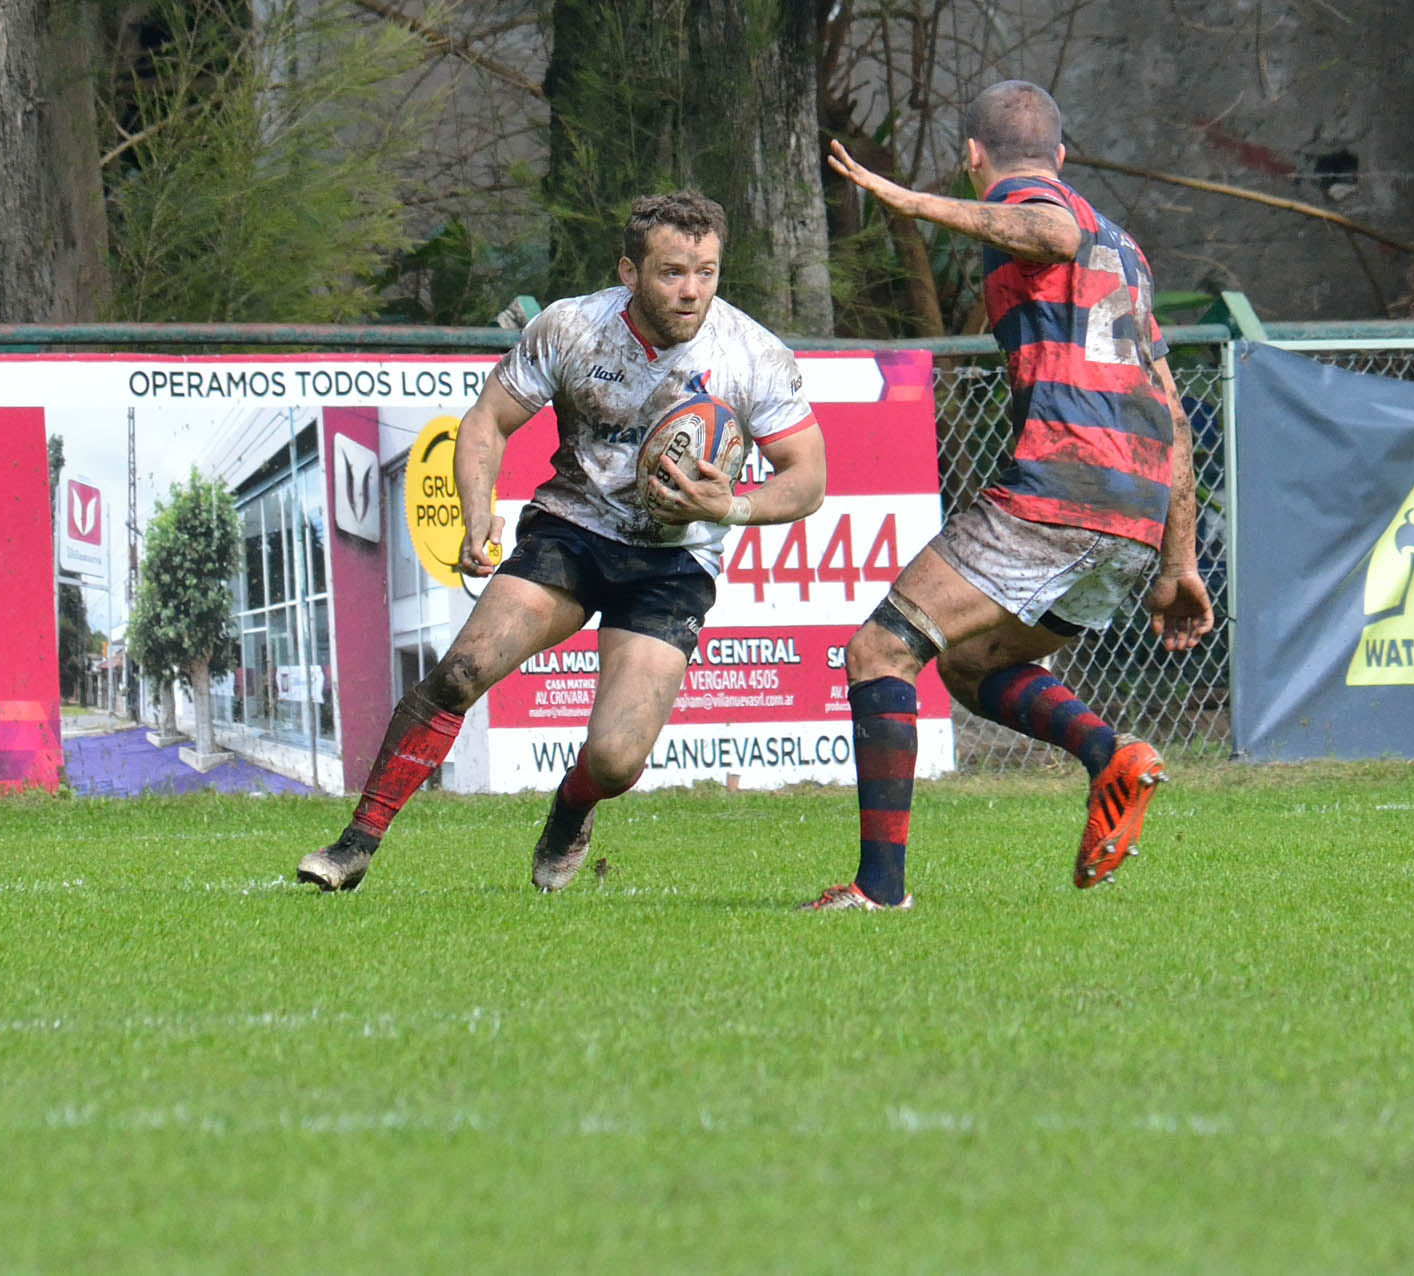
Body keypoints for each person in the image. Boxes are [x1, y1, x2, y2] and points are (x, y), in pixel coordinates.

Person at [297, 191, 827, 893]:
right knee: (463, 669)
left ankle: (572, 808)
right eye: (672, 272)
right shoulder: (574, 327)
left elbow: (808, 478)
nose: (691, 290)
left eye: (706, 271)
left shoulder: (751, 354)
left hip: (672, 563)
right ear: (630, 272)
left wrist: (732, 504)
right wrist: (477, 511)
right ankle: (354, 845)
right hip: (572, 532)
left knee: (615, 761)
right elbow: (486, 420)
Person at [803, 80, 1213, 911]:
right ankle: (1111, 756)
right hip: (1133, 507)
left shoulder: (1039, 205)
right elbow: (1172, 413)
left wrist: (909, 202)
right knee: (972, 659)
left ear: (973, 157)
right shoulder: (1125, 248)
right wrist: (1179, 560)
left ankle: (879, 891)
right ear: (1062, 152)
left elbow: (1047, 230)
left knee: (880, 652)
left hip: (1062, 485)